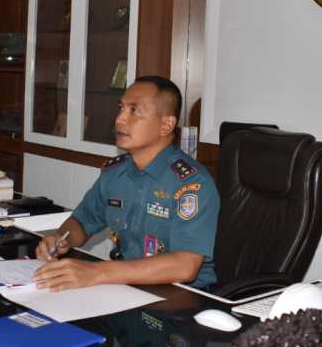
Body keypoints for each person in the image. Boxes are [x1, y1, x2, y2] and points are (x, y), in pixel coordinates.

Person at [33, 76, 218, 291]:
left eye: (134, 110)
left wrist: (97, 272)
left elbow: (185, 266)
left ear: (166, 125)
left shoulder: (191, 183)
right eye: (121, 108)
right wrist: (60, 237)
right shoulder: (115, 173)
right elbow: (82, 222)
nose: (120, 119)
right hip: (125, 285)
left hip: (181, 295)